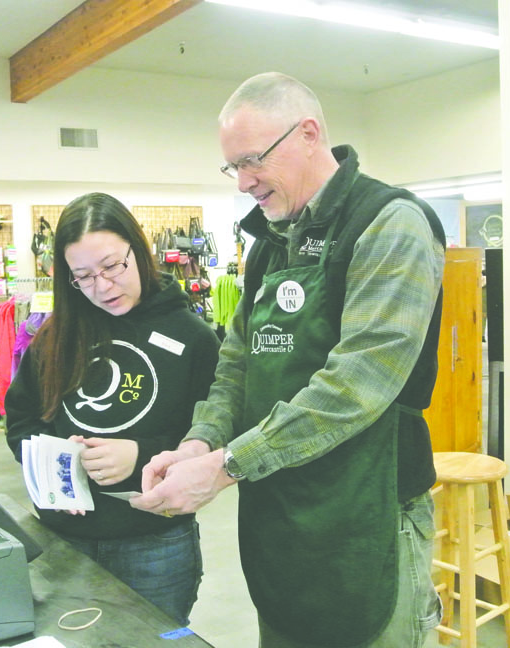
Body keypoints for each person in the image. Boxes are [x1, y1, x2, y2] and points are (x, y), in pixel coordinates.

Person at [131, 72, 447, 648]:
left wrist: (228, 465)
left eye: (253, 160)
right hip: (281, 520)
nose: (245, 181)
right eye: (233, 167)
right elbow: (237, 366)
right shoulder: (270, 242)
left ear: (308, 134)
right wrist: (200, 443)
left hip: (366, 516)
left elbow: (359, 383)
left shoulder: (389, 224)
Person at [4, 192, 220, 625]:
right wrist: (54, 468)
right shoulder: (54, 336)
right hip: (63, 537)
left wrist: (138, 456)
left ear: (136, 250)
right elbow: (22, 419)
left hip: (154, 543)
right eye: (82, 276)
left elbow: (212, 436)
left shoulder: (192, 336)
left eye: (111, 267)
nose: (102, 287)